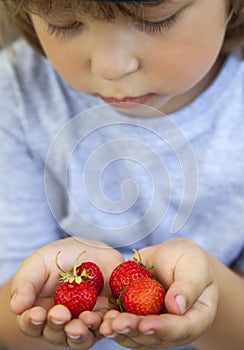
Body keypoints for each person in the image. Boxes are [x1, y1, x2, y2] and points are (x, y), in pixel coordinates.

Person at [0, 0, 243, 349]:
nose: (109, 66)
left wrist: (206, 292)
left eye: (158, 20)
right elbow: (8, 329)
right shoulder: (18, 94)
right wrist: (43, 299)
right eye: (65, 24)